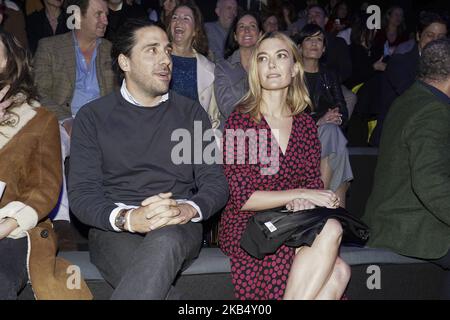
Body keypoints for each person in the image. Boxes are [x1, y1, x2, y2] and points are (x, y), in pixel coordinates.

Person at [68, 19, 229, 300]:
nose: (166, 59)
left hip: (178, 225)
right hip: (114, 228)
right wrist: (130, 218)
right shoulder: (92, 117)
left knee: (165, 238)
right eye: (152, 50)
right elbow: (82, 196)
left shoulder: (191, 114)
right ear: (124, 62)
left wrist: (186, 210)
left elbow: (215, 184)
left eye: (167, 50)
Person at [219, 31, 350, 300]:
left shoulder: (304, 124)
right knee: (335, 261)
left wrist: (304, 200)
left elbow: (311, 182)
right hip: (251, 225)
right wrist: (299, 195)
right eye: (263, 58)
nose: (272, 65)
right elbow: (244, 198)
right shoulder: (243, 121)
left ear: (294, 68)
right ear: (255, 70)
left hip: (294, 218)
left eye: (281, 56)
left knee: (339, 270)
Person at [0, 30, 91, 300]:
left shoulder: (40, 120)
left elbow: (45, 188)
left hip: (12, 232)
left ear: (11, 62)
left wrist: (7, 225)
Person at [362, 38, 450, 270]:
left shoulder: (410, 99)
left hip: (394, 219)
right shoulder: (434, 111)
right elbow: (430, 181)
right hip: (413, 227)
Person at [369, 10, 448, 146]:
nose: (436, 42)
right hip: (397, 135)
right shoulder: (400, 62)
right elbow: (415, 99)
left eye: (441, 37)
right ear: (418, 36)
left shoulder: (444, 65)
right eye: (430, 36)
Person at [297, 24, 353, 207]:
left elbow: (342, 109)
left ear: (324, 49)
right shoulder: (291, 76)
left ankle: (322, 198)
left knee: (333, 131)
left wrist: (337, 117)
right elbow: (289, 116)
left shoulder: (329, 75)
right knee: (333, 135)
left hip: (326, 137)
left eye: (319, 40)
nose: (314, 44)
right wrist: (318, 121)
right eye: (309, 39)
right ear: (299, 46)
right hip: (299, 137)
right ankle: (336, 213)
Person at [306, 4, 356, 120]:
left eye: (317, 15)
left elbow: (346, 69)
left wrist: (330, 82)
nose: (312, 18)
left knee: (350, 97)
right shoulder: (298, 41)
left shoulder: (337, 42)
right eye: (310, 15)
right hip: (303, 80)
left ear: (326, 20)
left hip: (331, 83)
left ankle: (336, 126)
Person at [214, 11, 262, 130]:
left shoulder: (269, 66)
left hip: (267, 132)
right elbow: (227, 107)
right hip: (235, 134)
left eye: (252, 26)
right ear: (235, 36)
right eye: (241, 26)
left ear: (260, 34)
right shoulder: (223, 67)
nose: (246, 30)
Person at [167, 2, 215, 113]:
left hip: (194, 129)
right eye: (175, 17)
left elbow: (212, 115)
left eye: (186, 18)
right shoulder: (156, 59)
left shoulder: (208, 68)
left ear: (195, 30)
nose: (178, 21)